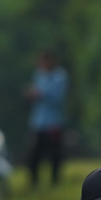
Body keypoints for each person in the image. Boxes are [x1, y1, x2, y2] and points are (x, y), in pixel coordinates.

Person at [24, 52, 68, 187]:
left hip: (54, 122)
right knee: (34, 154)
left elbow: (58, 98)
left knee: (55, 155)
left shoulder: (59, 76)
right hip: (38, 122)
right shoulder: (39, 75)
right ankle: (34, 182)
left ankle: (55, 181)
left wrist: (41, 94)